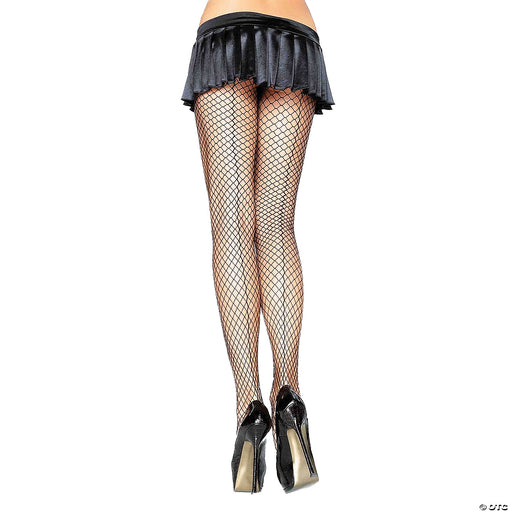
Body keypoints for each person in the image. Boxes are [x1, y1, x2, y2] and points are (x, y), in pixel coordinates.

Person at [180, 0, 335, 493]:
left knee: (231, 229)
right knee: (276, 227)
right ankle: (288, 394)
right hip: (294, 35)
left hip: (225, 31)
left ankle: (250, 407)